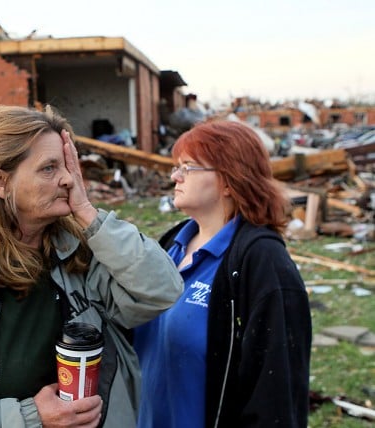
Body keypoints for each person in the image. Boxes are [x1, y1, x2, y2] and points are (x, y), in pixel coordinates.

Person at [0, 105, 183, 427]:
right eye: (49, 168)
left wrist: (87, 212)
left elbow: (162, 290)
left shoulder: (80, 252)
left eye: (68, 166)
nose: (68, 179)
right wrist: (29, 417)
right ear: (0, 182)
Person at [134, 120, 312, 428]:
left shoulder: (263, 264)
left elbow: (277, 395)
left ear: (229, 180)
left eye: (188, 167)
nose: (175, 176)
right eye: (177, 166)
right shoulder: (171, 245)